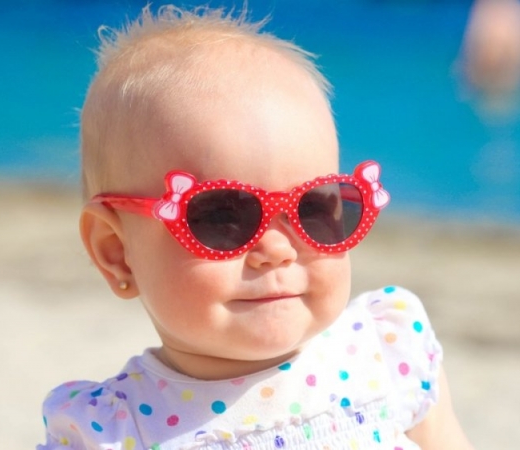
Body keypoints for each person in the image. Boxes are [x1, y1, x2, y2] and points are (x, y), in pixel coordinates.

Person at [38, 5, 474, 449]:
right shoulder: (117, 431)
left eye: (312, 208)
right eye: (222, 217)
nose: (279, 249)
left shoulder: (386, 354)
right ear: (116, 252)